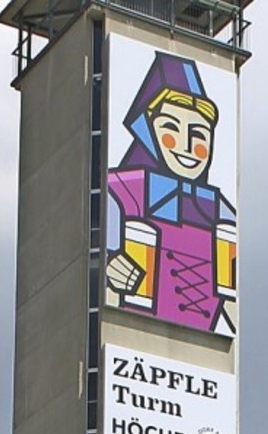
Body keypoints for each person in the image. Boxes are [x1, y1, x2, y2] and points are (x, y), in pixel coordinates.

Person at [106, 51, 236, 334]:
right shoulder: (120, 189)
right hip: (132, 334)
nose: (186, 145)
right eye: (171, 129)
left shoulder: (218, 208)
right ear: (148, 132)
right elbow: (95, 235)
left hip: (206, 341)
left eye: (199, 134)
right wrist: (109, 261)